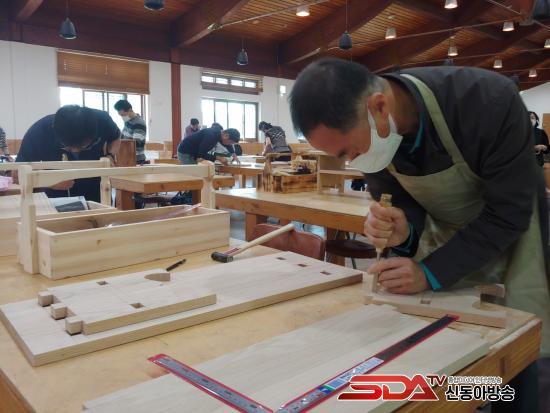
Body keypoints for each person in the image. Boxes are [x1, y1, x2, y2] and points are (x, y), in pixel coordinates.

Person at [290, 58, 549, 413]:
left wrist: (430, 272)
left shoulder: (488, 101)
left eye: (350, 152)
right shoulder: (376, 137)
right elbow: (401, 204)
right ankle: (467, 399)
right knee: (452, 357)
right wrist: (402, 231)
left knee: (515, 357)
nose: (352, 162)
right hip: (446, 239)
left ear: (379, 107)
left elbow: (508, 213)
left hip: (512, 231)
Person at [16, 105, 121, 202]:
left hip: (97, 186)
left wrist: (110, 155)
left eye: (83, 146)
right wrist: (48, 182)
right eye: (68, 147)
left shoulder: (103, 120)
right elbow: (17, 173)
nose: (75, 151)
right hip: (57, 195)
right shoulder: (40, 131)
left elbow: (115, 137)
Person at [114, 99, 147, 164]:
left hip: (136, 159)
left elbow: (136, 143)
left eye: (123, 115)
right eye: (120, 115)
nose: (122, 117)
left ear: (130, 110)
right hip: (127, 157)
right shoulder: (128, 121)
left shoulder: (139, 123)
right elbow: (123, 137)